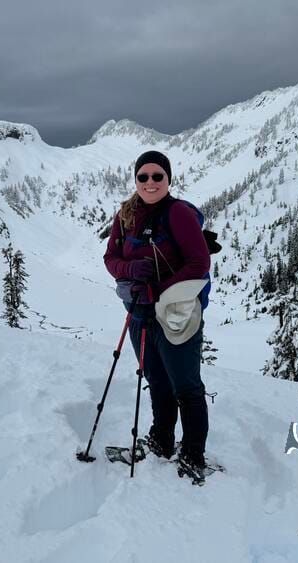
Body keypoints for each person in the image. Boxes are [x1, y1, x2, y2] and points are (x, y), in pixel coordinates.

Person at [103, 149, 211, 472]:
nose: (150, 183)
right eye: (143, 177)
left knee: (186, 386)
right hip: (139, 316)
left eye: (157, 176)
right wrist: (131, 269)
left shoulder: (178, 214)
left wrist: (159, 290)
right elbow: (110, 259)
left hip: (175, 315)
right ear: (136, 180)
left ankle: (193, 455)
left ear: (168, 179)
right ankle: (161, 441)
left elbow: (199, 262)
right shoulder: (125, 215)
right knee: (157, 379)